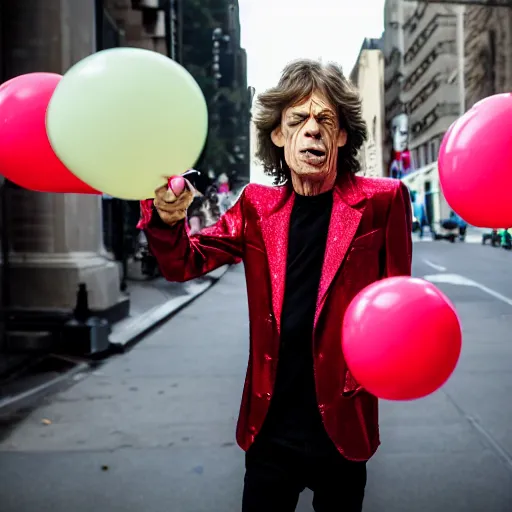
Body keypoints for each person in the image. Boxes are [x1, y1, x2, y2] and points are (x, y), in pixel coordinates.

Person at [137, 59, 412, 512]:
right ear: (279, 136)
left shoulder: (382, 202)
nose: (313, 130)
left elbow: (400, 306)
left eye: (325, 119)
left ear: (342, 136)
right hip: (270, 426)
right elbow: (185, 262)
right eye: (298, 120)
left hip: (342, 424)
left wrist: (373, 373)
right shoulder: (254, 207)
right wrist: (168, 220)